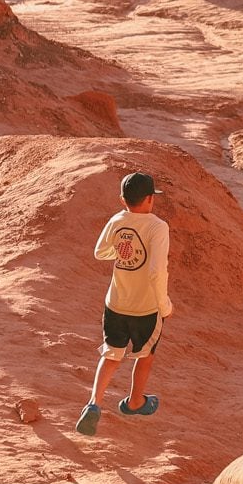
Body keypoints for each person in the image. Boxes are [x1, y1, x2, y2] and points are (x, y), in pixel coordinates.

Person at [77, 171, 172, 436]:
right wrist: (164, 304)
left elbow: (100, 252)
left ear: (122, 199)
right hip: (145, 307)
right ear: (150, 198)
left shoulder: (117, 220)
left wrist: (120, 251)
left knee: (111, 353)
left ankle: (94, 403)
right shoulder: (158, 227)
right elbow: (156, 271)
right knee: (145, 354)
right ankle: (135, 402)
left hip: (116, 303)